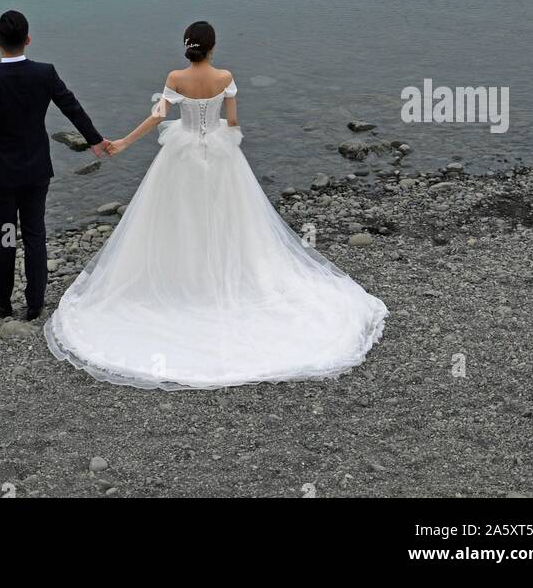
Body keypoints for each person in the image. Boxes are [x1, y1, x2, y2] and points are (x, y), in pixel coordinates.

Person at [44, 20, 387, 389]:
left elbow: (159, 116)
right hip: (220, 154)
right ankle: (224, 277)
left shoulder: (175, 78)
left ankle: (183, 281)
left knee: (178, 218)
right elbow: (234, 121)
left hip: (181, 152)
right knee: (230, 218)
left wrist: (124, 143)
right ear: (212, 47)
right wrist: (218, 129)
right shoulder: (225, 77)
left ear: (187, 47)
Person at [0, 10, 111, 320]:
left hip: (1, 174)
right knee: (35, 232)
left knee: (6, 233)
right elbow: (71, 107)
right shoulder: (44, 73)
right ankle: (35, 304)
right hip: (36, 169)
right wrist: (95, 140)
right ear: (28, 40)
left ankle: (1, 300)